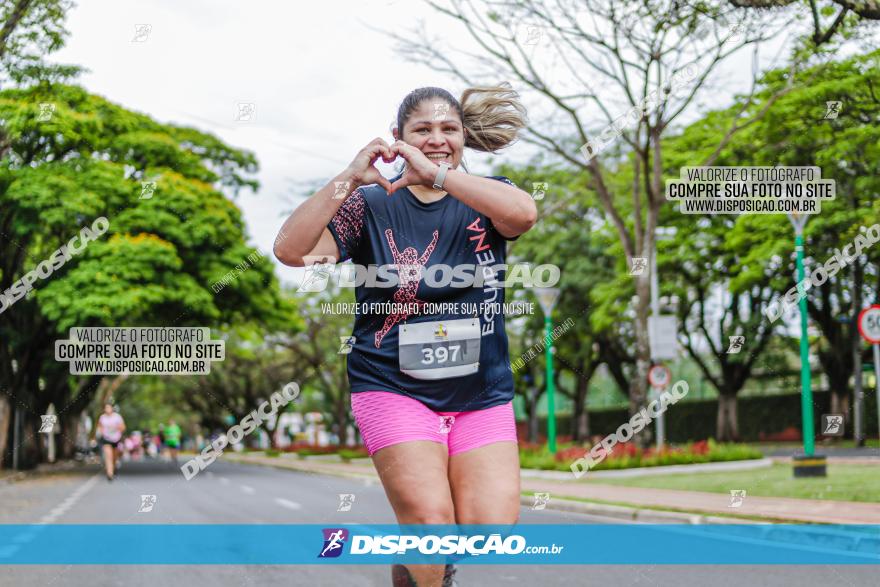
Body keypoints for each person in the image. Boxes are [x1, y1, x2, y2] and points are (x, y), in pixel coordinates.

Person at [275, 84, 536, 587]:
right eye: (422, 130)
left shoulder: (488, 196)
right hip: (392, 385)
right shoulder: (370, 205)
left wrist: (440, 175)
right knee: (429, 519)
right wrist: (349, 177)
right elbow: (290, 250)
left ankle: (418, 565)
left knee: (491, 526)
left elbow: (525, 214)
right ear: (399, 139)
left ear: (462, 138)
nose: (437, 139)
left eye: (448, 129)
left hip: (480, 391)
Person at [96, 403, 125, 481]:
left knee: (114, 457)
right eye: (106, 408)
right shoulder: (102, 418)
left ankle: (114, 467)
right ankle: (110, 473)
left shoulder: (117, 417)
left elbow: (123, 428)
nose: (107, 409)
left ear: (112, 409)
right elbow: (100, 427)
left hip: (116, 439)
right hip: (106, 439)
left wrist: (116, 427)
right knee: (108, 456)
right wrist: (100, 433)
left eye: (109, 408)